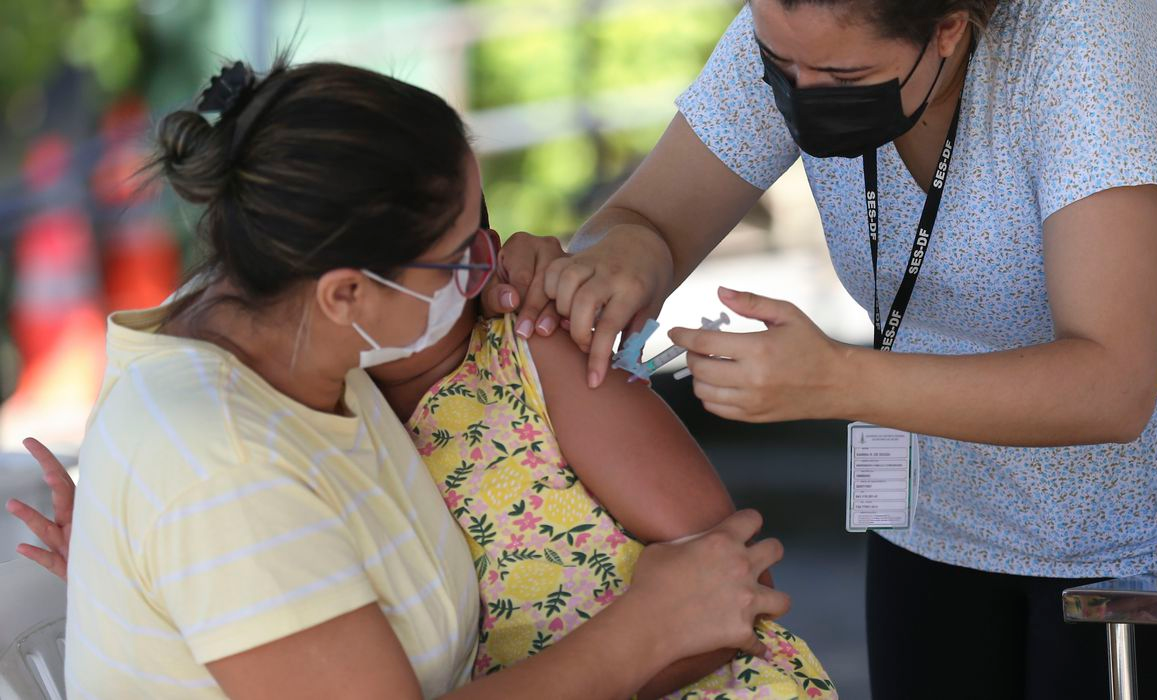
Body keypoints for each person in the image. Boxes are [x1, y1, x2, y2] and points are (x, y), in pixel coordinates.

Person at [3, 57, 790, 700]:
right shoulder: (223, 461)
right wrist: (647, 628)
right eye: (459, 257)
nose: (495, 266)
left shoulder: (282, 338)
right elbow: (220, 493)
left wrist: (162, 583)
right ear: (345, 293)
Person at [480, 1, 1157, 698]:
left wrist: (836, 381)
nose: (802, 94)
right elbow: (647, 218)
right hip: (929, 520)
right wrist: (619, 258)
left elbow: (1113, 384)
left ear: (949, 29)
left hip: (1128, 549)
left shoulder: (1086, 39)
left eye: (845, 76)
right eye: (780, 67)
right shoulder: (795, 27)